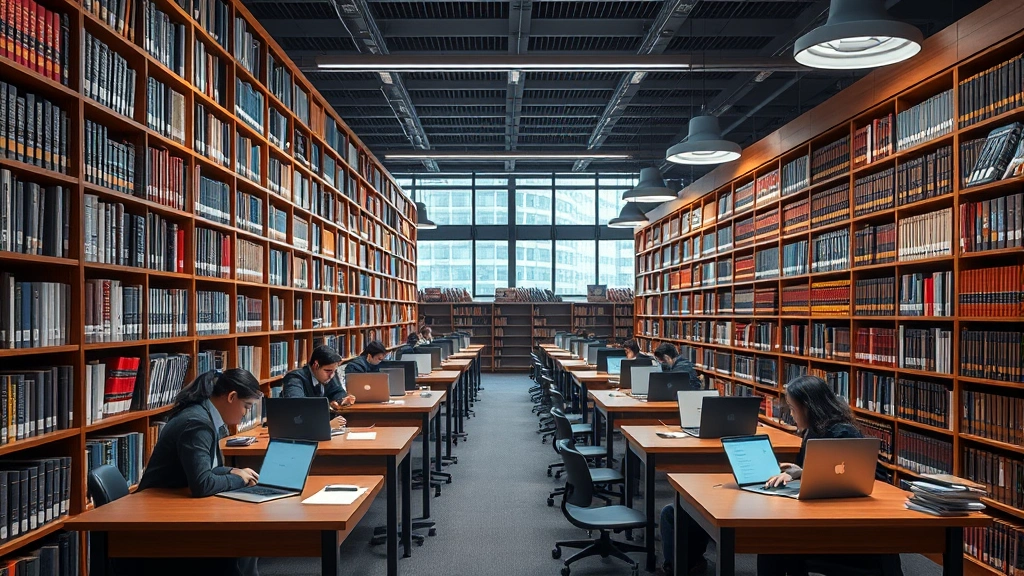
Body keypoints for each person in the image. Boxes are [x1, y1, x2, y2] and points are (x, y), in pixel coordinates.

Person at [757, 375, 901, 576]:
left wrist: (805, 475)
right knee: (771, 541)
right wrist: (799, 472)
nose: (791, 414)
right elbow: (825, 471)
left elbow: (851, 479)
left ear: (807, 407)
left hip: (845, 523)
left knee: (773, 543)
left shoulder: (842, 433)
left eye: (792, 407)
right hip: (822, 513)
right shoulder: (813, 431)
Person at [136, 369, 263, 576]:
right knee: (240, 541)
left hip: (170, 505)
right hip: (159, 520)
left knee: (244, 539)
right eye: (246, 406)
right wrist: (237, 480)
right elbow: (202, 484)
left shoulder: (202, 414)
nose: (245, 414)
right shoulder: (197, 424)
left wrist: (232, 470)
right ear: (231, 397)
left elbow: (205, 469)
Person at [282, 345, 356, 414]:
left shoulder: (330, 373)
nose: (331, 375)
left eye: (334, 371)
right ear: (316, 365)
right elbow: (297, 404)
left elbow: (338, 391)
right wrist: (328, 405)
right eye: (327, 371)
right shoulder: (295, 378)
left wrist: (341, 400)